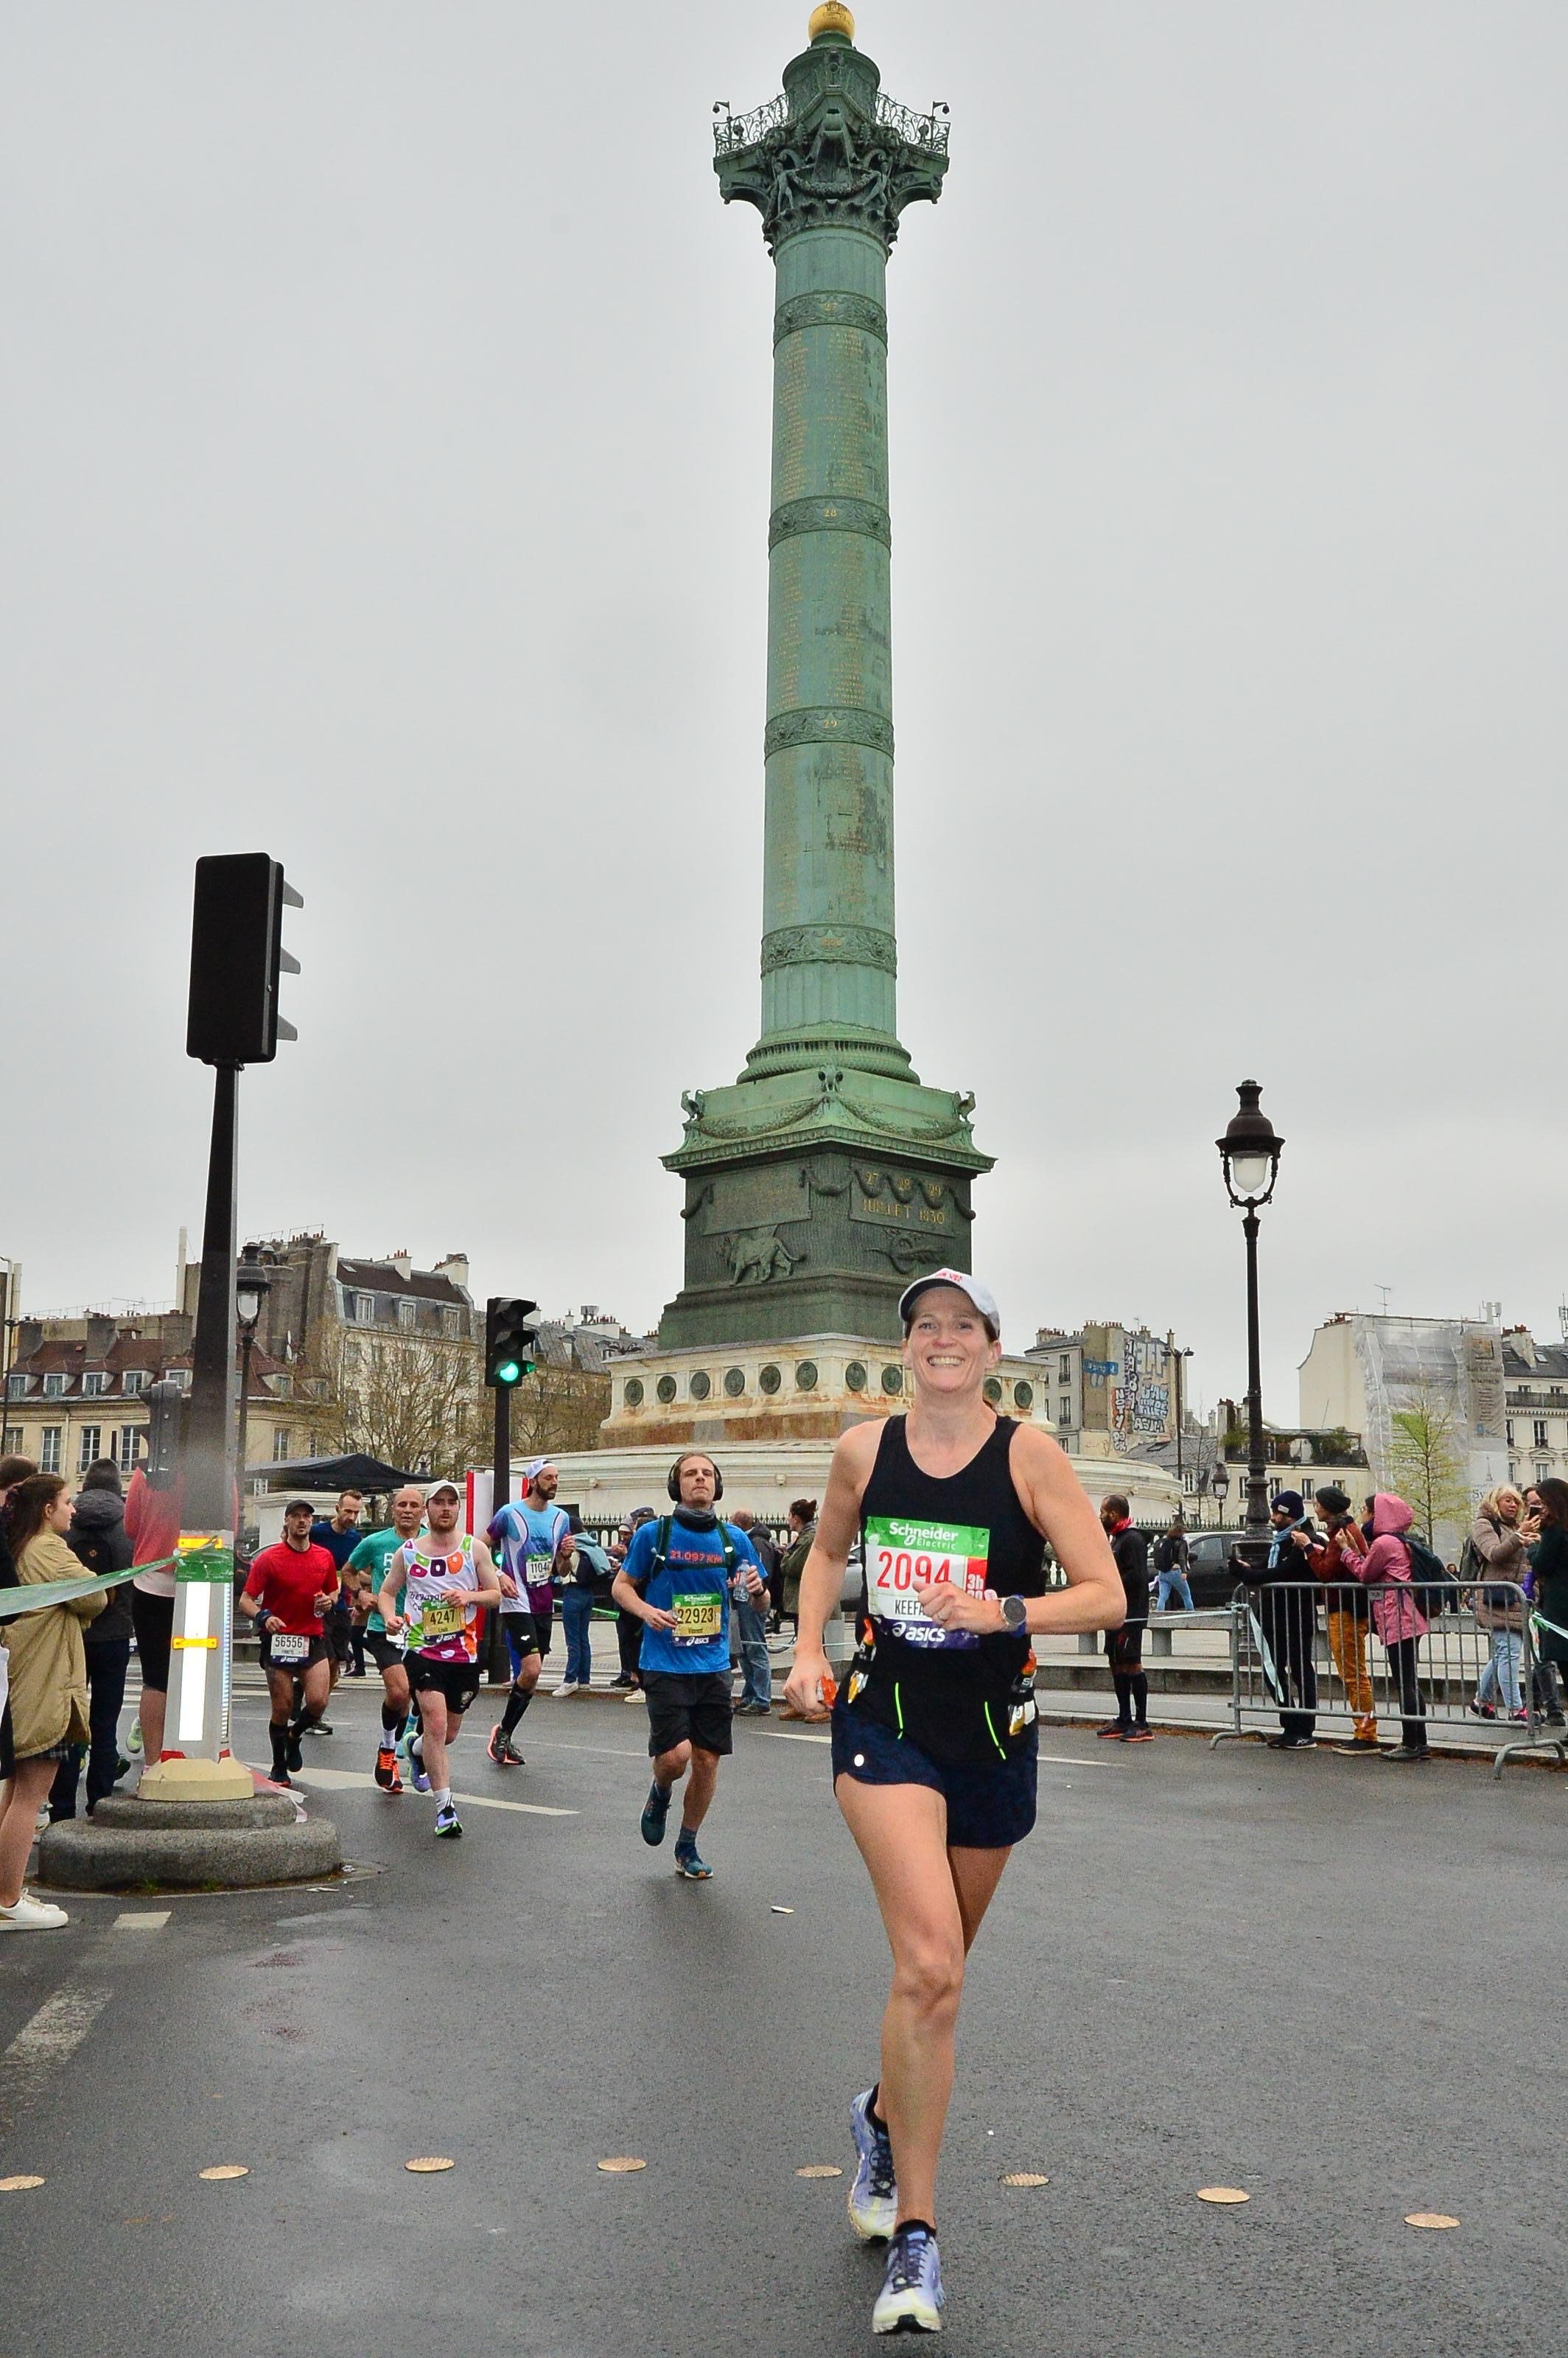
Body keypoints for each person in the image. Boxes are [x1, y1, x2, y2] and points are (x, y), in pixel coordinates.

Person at [783, 1271, 1124, 2337]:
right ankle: (917, 2236)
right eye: (925, 1326)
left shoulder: (1028, 1454)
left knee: (941, 1975)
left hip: (992, 1736)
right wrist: (804, 1649)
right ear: (907, 1346)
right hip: (882, 1718)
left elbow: (1107, 1593)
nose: (942, 1340)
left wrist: (1003, 1608)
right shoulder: (861, 1450)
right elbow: (829, 1551)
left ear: (989, 1347)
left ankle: (881, 2113)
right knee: (928, 1965)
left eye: (960, 1327)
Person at [610, 1452, 766, 1881]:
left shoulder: (734, 1538)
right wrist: (646, 1612)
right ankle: (660, 1791)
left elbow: (762, 1600)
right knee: (676, 1758)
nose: (699, 1479)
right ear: (676, 1485)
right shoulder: (654, 1535)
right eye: (690, 1474)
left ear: (716, 1487)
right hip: (664, 1662)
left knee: (708, 1761)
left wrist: (757, 1591)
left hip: (714, 1664)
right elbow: (621, 1586)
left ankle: (688, 1844)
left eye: (706, 1474)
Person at [1, 1473, 105, 1931]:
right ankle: (8, 1899)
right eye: (67, 1502)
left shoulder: (22, 1546)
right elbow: (96, 1597)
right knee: (31, 1797)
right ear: (47, 1509)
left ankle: (7, 1891)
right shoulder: (49, 1550)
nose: (74, 1510)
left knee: (14, 1794)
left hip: (26, 1681)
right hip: (46, 1686)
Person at [379, 1479, 500, 1836]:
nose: (445, 1508)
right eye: (438, 1502)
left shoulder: (474, 1549)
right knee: (434, 1723)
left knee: (446, 1734)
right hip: (422, 1651)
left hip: (463, 1655)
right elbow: (388, 1592)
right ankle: (445, 1810)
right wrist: (390, 1616)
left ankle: (414, 1749)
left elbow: (494, 1595)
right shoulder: (410, 1551)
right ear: (428, 1510)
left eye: (452, 1502)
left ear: (458, 1509)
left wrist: (469, 1597)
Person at [49, 1458, 134, 1819]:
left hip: (73, 1633)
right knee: (105, 1720)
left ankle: (62, 1807)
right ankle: (100, 1803)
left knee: (68, 1721)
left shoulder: (67, 1523)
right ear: (118, 1487)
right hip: (113, 1635)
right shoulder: (129, 1524)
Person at [239, 1500, 340, 1786]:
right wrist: (263, 1616)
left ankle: (295, 1737)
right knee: (282, 1708)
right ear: (286, 1522)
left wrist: (328, 1601)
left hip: (311, 1637)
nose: (302, 1521)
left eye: (306, 1516)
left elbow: (333, 1592)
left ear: (312, 1521)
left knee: (318, 1701)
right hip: (280, 1639)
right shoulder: (269, 1559)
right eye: (296, 1516)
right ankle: (278, 1765)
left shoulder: (324, 1557)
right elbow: (246, 1600)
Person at [486, 1459, 572, 1765]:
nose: (554, 1482)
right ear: (533, 1481)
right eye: (549, 1477)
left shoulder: (561, 1518)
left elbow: (561, 1570)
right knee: (532, 1669)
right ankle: (504, 1735)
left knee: (530, 1677)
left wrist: (565, 1556)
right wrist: (498, 1575)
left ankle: (504, 1733)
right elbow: (480, 1548)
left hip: (543, 1601)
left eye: (557, 1477)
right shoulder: (509, 1514)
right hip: (516, 1600)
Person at [345, 1484, 426, 1789]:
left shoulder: (432, 1543)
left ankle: (415, 1752)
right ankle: (387, 1749)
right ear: (393, 1510)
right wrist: (361, 1593)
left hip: (421, 1632)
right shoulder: (376, 1542)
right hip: (384, 1629)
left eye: (413, 1505)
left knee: (418, 1700)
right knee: (398, 1692)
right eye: (401, 1505)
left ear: (422, 1511)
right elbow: (349, 1571)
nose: (407, 1510)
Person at [1294, 1485, 1376, 1752]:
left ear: (1328, 1507)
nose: (1315, 1508)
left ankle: (1366, 1733)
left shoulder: (1343, 1533)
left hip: (1346, 1609)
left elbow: (1326, 1572)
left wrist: (1308, 1548)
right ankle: (1363, 1729)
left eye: (1317, 1504)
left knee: (1353, 1673)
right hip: (1347, 1608)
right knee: (1352, 1672)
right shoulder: (1345, 1530)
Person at [1238, 1489, 1318, 1749]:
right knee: (1273, 1669)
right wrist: (1244, 1569)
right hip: (1274, 1615)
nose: (1272, 1518)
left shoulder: (1304, 1539)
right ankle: (1289, 1721)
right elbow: (1266, 1567)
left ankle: (1305, 1727)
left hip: (1296, 1615)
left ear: (1289, 1515)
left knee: (1300, 1669)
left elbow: (1286, 1571)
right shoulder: (1279, 1541)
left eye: (1276, 1513)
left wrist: (1252, 1576)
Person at [1353, 1491, 1429, 1762]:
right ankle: (1420, 1741)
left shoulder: (1384, 1543)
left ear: (1378, 1515)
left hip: (1398, 1619)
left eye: (1366, 1510)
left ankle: (1410, 1742)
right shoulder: (1399, 1541)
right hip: (1409, 1617)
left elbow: (1364, 1574)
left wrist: (1346, 1554)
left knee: (1404, 1682)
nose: (1363, 1514)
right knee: (1410, 1680)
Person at [124, 1455, 186, 1774]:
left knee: (155, 1677)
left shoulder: (144, 1471)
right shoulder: (217, 1468)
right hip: (200, 1578)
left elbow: (131, 1526)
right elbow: (228, 1523)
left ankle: (153, 1763)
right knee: (193, 1673)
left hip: (150, 1578)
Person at [1098, 1495, 1153, 1740]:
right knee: (1116, 1663)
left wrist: (1112, 1581)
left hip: (1131, 1614)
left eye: (1103, 1512)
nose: (1100, 1517)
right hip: (1115, 1611)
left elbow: (1138, 1577)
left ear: (1114, 1514)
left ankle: (1142, 1722)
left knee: (1132, 1663)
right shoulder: (1117, 1539)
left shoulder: (1132, 1539)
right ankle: (1124, 1717)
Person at [310, 1489, 365, 1709]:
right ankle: (309, 1707)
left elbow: (353, 1571)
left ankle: (314, 1707)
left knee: (337, 1662)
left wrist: (362, 1594)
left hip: (340, 1604)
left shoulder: (355, 1539)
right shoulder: (317, 1533)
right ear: (337, 1509)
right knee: (326, 1658)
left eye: (356, 1513)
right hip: (316, 1604)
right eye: (348, 1511)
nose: (352, 1517)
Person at [1525, 1477, 1568, 1718]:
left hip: (1560, 1607)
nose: (1540, 1508)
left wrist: (1532, 1548)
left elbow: (1543, 1563)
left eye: (1542, 1502)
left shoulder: (1554, 1528)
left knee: (1566, 1666)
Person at [728, 1508, 774, 1713]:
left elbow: (763, 1575)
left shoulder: (755, 1543)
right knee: (745, 1650)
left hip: (751, 1600)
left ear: (739, 1525)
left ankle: (762, 1698)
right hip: (741, 1599)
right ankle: (750, 1694)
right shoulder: (752, 1541)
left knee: (755, 1648)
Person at [556, 1514, 599, 1698]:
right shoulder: (589, 1542)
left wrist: (562, 1558)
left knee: (572, 1640)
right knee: (583, 1638)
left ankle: (569, 1679)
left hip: (573, 1592)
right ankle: (584, 1680)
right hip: (588, 1593)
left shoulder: (570, 1545)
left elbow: (564, 1571)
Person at [1152, 1516, 1194, 1611]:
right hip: (1175, 1571)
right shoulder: (1181, 1543)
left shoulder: (1165, 1541)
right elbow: (1182, 1557)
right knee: (1186, 1595)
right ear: (1180, 1532)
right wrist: (1184, 1571)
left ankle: (1159, 1614)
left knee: (1163, 1596)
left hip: (1162, 1573)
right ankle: (1191, 1614)